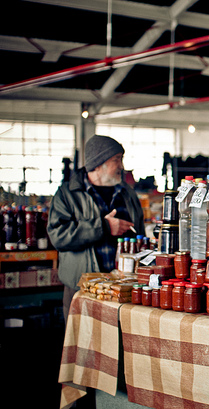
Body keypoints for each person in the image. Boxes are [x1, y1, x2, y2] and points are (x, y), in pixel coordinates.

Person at [48, 135, 144, 322]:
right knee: (83, 345)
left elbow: (139, 235)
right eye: (117, 159)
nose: (122, 166)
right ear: (99, 163)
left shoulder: (127, 193)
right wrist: (104, 227)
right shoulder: (67, 194)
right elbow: (58, 236)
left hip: (122, 290)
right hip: (83, 289)